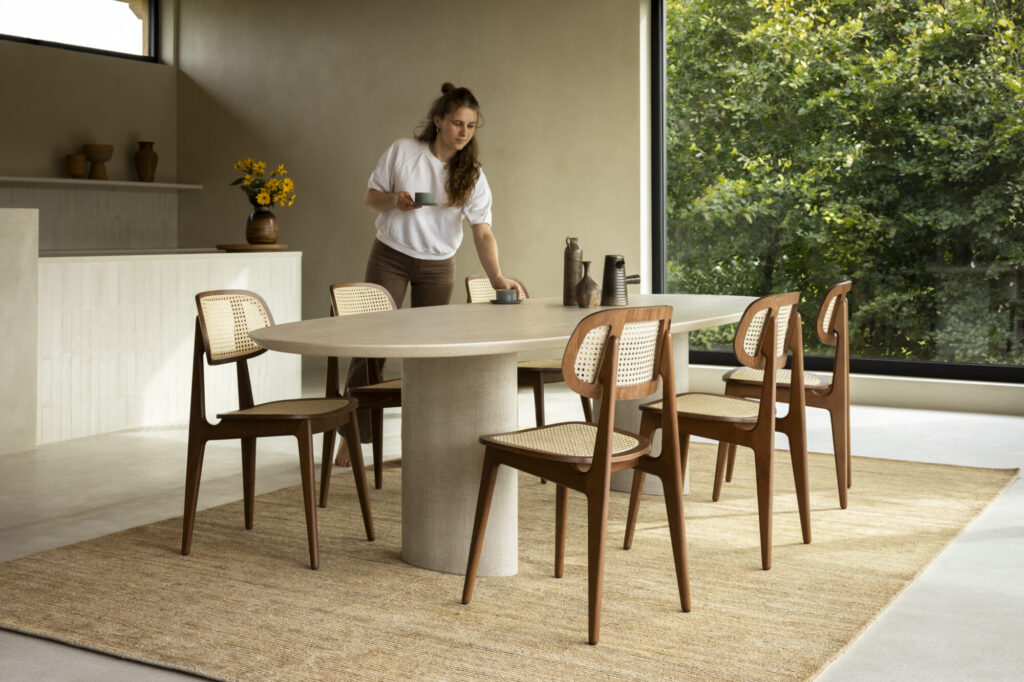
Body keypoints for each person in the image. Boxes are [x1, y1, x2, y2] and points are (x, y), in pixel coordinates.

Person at [336, 82, 520, 466]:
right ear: (438, 120)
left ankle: (421, 440)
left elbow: (482, 232)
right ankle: (353, 436)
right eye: (457, 123)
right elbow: (370, 199)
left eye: (470, 126)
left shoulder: (472, 174)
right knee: (370, 346)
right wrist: (394, 201)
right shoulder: (403, 151)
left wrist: (497, 278)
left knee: (428, 355)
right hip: (390, 256)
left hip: (438, 267)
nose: (464, 132)